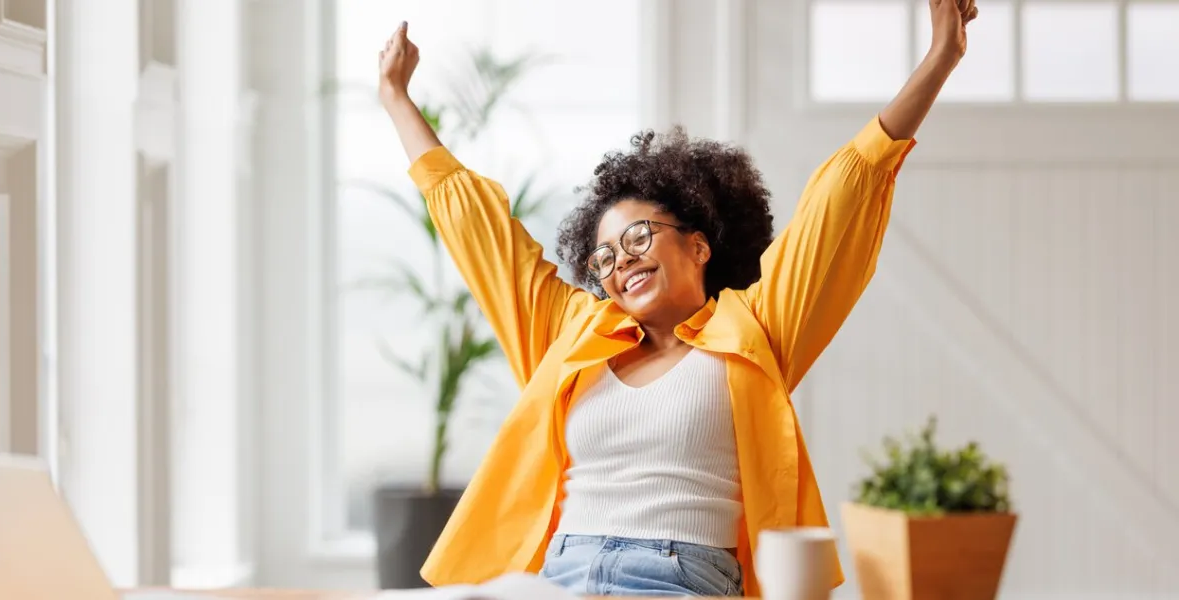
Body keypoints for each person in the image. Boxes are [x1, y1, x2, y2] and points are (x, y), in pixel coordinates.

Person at [377, 0, 977, 595]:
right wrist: (398, 102)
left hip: (678, 577)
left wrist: (940, 58)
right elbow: (481, 235)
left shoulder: (755, 329)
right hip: (560, 574)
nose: (621, 261)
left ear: (699, 246)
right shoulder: (574, 333)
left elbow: (844, 195)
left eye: (639, 236)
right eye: (605, 256)